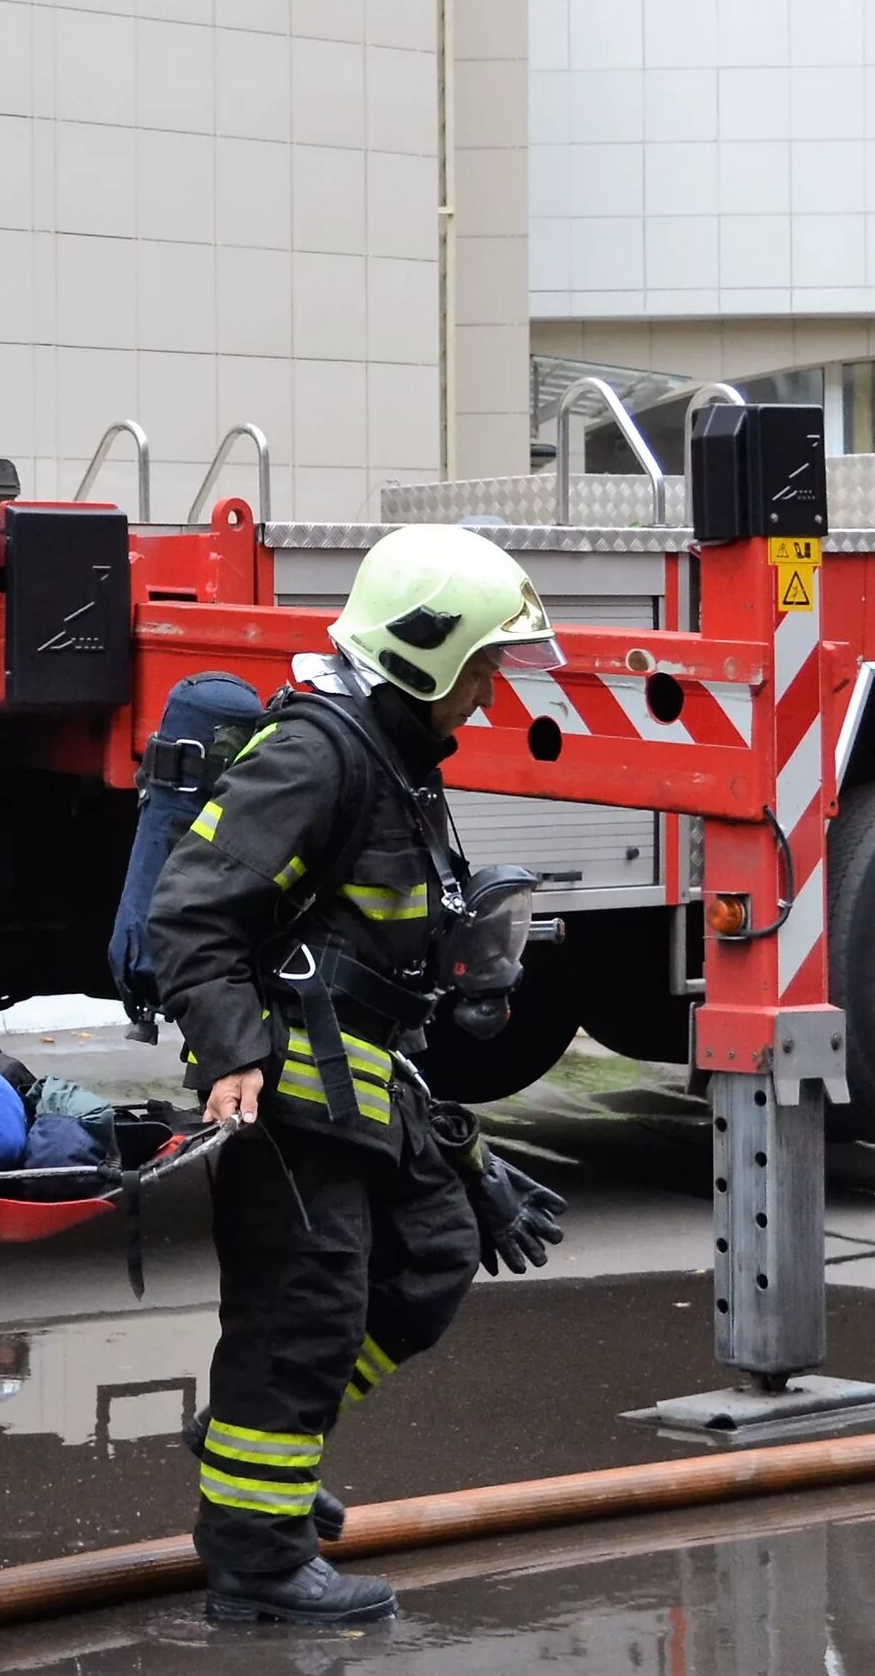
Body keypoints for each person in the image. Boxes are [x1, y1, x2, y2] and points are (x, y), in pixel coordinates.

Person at [144, 523, 570, 1627]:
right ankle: (258, 1566)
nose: (486, 694)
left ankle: (257, 1442)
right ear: (424, 653)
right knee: (306, 1313)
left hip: (366, 1079)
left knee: (434, 1252)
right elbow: (191, 909)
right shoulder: (314, 753)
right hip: (288, 1090)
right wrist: (230, 1046)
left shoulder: (394, 763)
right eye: (479, 666)